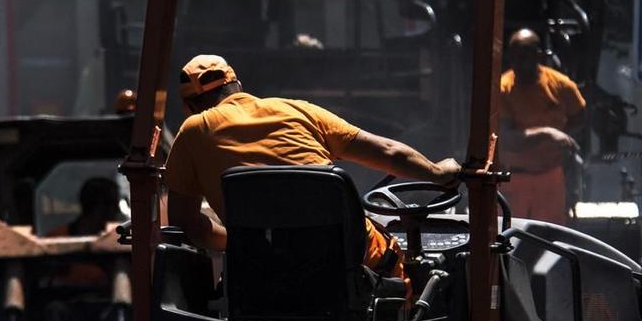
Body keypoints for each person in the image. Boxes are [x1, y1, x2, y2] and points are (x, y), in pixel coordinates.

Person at [162, 54, 459, 280]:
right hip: (356, 265)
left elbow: (187, 225)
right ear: (238, 86)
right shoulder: (298, 110)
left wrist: (244, 242)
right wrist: (437, 172)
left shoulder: (192, 133)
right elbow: (389, 151)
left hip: (269, 281)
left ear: (189, 108)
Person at [497, 29, 587, 223]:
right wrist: (549, 134)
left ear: (538, 54)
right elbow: (509, 140)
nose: (519, 61)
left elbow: (579, 117)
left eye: (525, 54)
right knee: (510, 240)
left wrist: (564, 140)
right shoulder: (502, 88)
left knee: (550, 242)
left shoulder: (562, 86)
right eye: (515, 55)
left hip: (551, 178)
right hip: (513, 180)